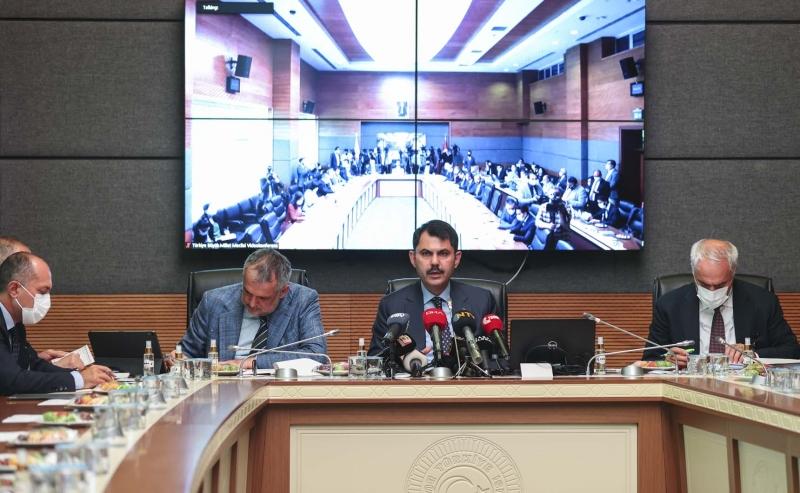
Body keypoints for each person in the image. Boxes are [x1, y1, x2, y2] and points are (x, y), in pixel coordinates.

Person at [644, 239, 800, 366]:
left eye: (720, 285)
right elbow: (650, 358)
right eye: (704, 284)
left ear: (733, 273)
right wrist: (669, 360)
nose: (712, 291)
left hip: (745, 387)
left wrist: (752, 355)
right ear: (694, 273)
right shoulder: (669, 305)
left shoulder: (763, 302)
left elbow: (792, 351)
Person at [368, 220, 497, 360]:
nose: (435, 262)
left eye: (443, 253)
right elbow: (376, 361)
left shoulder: (482, 301)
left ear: (456, 259)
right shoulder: (391, 306)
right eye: (426, 253)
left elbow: (500, 359)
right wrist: (404, 361)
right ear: (413, 258)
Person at [179, 248, 327, 369]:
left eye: (263, 298)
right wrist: (178, 358)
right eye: (247, 292)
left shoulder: (303, 300)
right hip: (223, 388)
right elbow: (187, 354)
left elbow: (317, 355)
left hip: (279, 389)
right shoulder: (213, 301)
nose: (252, 303)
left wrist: (249, 363)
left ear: (283, 291)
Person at [0, 252, 114, 395]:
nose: (47, 300)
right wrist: (79, 380)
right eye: (42, 292)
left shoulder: (16, 324)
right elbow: (11, 380)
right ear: (14, 289)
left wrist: (82, 374)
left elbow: (33, 364)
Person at [0, 238, 85, 368]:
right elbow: (10, 377)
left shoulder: (15, 321)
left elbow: (16, 365)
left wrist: (37, 362)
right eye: (20, 260)